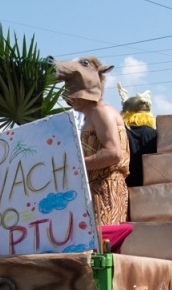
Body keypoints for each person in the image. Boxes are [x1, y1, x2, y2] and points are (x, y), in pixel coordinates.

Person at [53, 57, 129, 225]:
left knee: (103, 243)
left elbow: (114, 153)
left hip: (106, 187)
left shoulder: (100, 112)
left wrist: (76, 164)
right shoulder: (91, 114)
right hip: (95, 187)